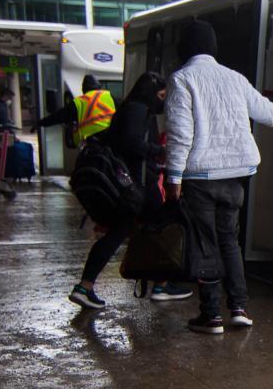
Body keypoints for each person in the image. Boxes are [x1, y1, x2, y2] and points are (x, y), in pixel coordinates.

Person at [165, 20, 273, 334]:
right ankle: (239, 308)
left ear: (184, 47)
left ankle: (211, 314)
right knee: (230, 241)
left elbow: (179, 134)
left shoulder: (182, 79)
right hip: (237, 175)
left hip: (200, 177)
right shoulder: (234, 78)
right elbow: (263, 109)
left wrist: (173, 177)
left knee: (206, 244)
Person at [69, 72, 191, 308]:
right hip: (138, 186)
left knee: (119, 234)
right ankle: (161, 286)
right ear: (150, 92)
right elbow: (131, 142)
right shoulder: (137, 109)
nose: (162, 100)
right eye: (161, 95)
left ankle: (85, 286)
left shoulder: (131, 108)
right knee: (159, 230)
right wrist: (159, 150)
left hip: (131, 185)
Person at [32, 74, 115, 146]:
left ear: (84, 89)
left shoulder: (79, 102)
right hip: (111, 139)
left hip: (90, 144)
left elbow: (58, 116)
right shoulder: (109, 96)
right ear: (98, 87)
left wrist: (41, 123)